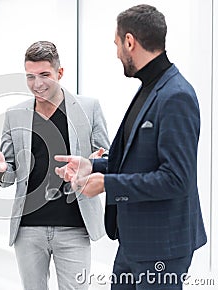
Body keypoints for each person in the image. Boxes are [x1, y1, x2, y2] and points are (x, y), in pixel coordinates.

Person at [55, 5, 207, 289]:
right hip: (133, 243)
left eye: (116, 44)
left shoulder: (176, 96)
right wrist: (93, 165)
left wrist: (107, 184)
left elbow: (176, 179)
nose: (116, 53)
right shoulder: (150, 87)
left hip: (162, 247)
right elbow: (136, 159)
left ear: (129, 41)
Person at [0, 41, 110, 289]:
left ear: (59, 73)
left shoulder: (88, 108)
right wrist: (1, 169)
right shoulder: (15, 114)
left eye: (44, 75)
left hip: (74, 226)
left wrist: (93, 165)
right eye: (30, 76)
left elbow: (108, 158)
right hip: (29, 228)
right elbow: (9, 175)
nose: (37, 84)